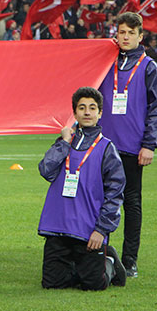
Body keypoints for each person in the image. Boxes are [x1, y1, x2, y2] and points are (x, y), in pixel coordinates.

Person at [98, 12, 157, 278]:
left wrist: (149, 144)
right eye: (121, 32)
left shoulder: (149, 67)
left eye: (130, 33)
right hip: (102, 145)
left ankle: (129, 259)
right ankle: (99, 253)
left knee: (131, 203)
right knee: (98, 200)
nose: (125, 37)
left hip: (131, 146)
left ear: (141, 36)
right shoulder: (104, 62)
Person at [38, 87, 127, 290]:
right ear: (75, 113)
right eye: (82, 108)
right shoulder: (64, 143)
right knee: (52, 284)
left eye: (92, 108)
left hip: (88, 230)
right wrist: (64, 143)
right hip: (58, 228)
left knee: (94, 285)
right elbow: (46, 170)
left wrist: (101, 230)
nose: (87, 112)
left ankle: (109, 260)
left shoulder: (107, 148)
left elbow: (115, 193)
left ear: (100, 113)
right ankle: (79, 265)